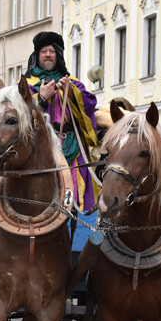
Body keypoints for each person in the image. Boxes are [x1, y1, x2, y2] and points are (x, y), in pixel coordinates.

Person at [24, 30, 99, 210]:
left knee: (76, 194)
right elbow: (18, 112)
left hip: (71, 146)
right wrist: (41, 98)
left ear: (58, 54)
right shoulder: (26, 83)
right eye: (44, 51)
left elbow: (89, 105)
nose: (48, 55)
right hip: (38, 147)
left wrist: (72, 93)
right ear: (37, 55)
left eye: (52, 51)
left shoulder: (72, 82)